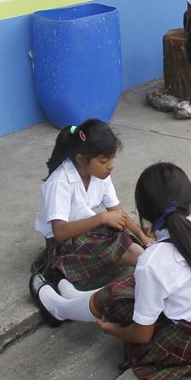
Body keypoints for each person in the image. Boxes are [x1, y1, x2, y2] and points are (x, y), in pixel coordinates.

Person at [30, 162, 191, 380]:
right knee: (139, 284)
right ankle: (71, 296)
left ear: (145, 212)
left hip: (188, 344)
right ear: (189, 196)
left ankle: (58, 309)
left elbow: (141, 335)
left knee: (115, 295)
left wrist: (114, 330)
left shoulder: (153, 260)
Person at [31, 120, 148, 303]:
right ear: (81, 160)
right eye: (104, 160)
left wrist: (141, 234)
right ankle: (62, 276)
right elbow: (60, 232)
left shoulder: (101, 175)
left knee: (129, 241)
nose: (111, 165)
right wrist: (102, 218)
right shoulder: (60, 182)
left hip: (90, 232)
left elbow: (117, 211)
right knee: (134, 253)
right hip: (63, 244)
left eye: (112, 158)